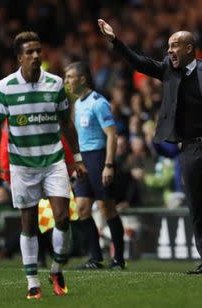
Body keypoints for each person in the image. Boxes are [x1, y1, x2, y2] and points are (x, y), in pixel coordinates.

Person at [98, 19, 202, 274]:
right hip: (187, 148)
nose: (169, 51)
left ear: (189, 48)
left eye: (175, 45)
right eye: (168, 46)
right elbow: (139, 62)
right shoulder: (168, 69)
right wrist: (115, 41)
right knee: (196, 206)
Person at [0, 31, 87, 300]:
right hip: (22, 164)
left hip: (53, 160)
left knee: (63, 217)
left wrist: (77, 159)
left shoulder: (55, 84)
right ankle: (32, 281)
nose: (35, 56)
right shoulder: (5, 87)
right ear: (19, 57)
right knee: (29, 223)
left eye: (38, 51)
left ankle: (56, 269)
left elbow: (66, 124)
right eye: (29, 52)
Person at [64, 61, 125, 270]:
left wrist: (109, 164)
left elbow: (112, 135)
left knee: (106, 208)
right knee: (82, 209)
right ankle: (95, 258)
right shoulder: (77, 104)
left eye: (70, 77)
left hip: (99, 158)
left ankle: (118, 259)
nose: (67, 82)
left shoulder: (99, 102)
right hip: (83, 160)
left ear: (82, 79)